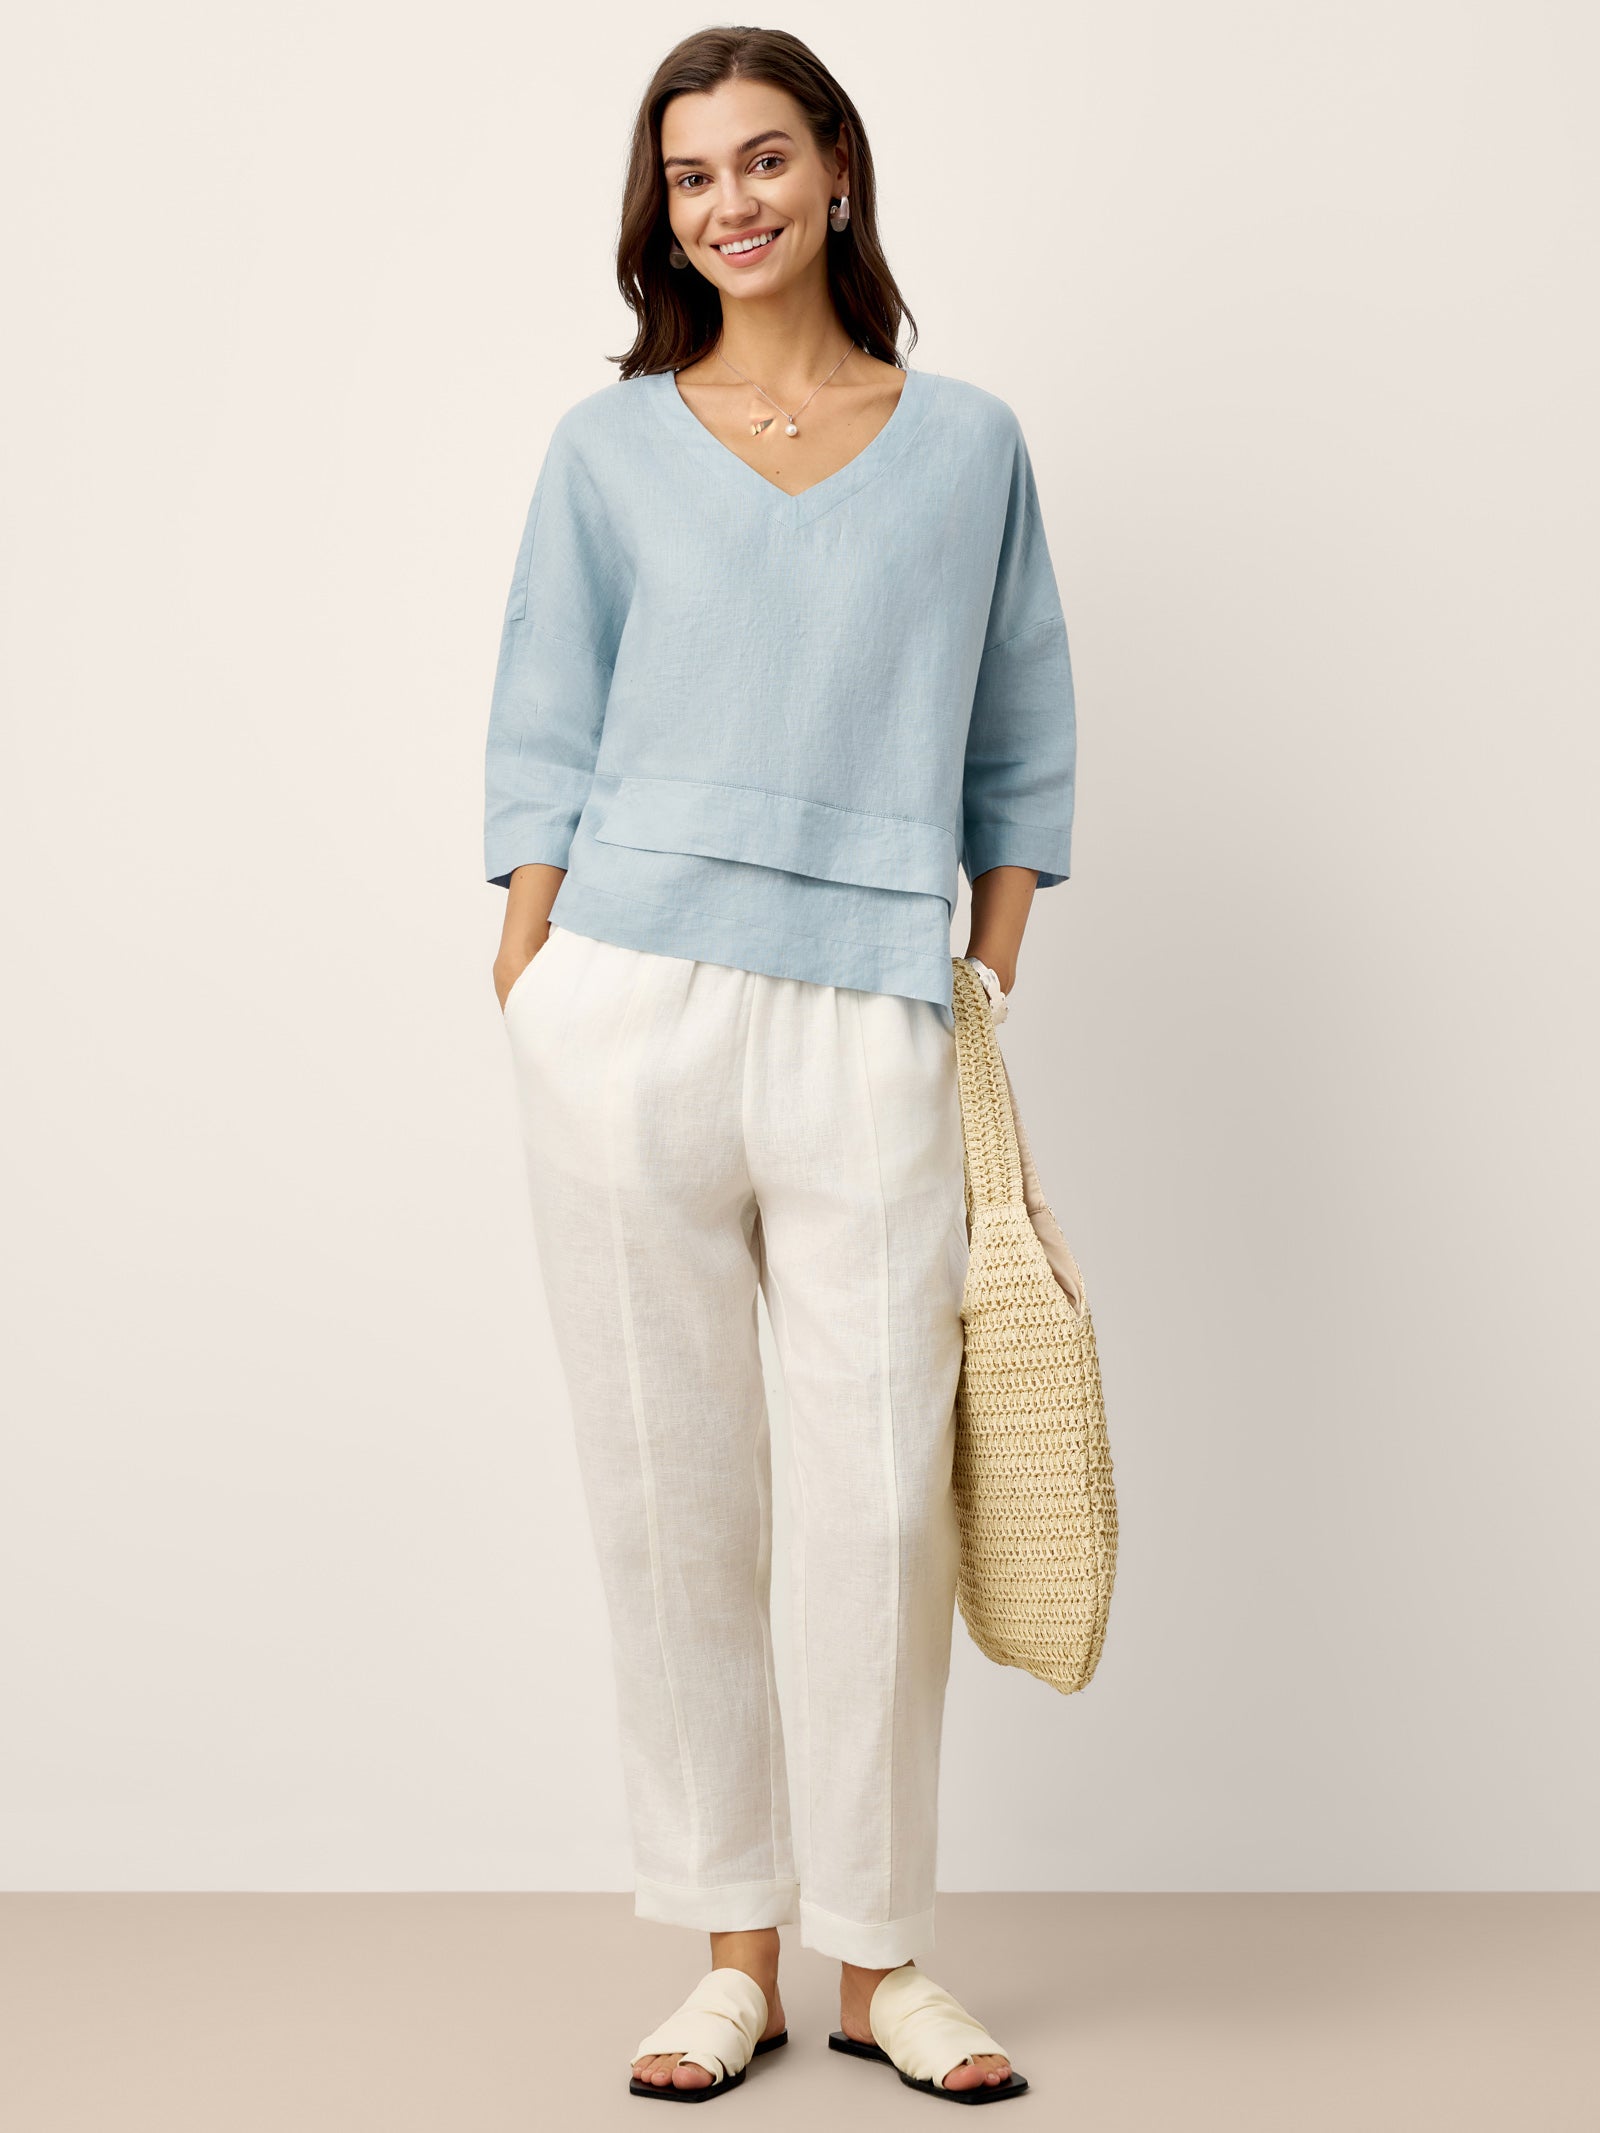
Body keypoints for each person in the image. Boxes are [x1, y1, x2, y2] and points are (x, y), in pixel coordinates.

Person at [484, 25, 1074, 2107]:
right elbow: (544, 711)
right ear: (660, 216)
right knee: (672, 1493)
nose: (725, 201)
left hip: (867, 1013)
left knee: (876, 1503)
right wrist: (530, 964)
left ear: (835, 169)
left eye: (759, 158)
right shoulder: (607, 448)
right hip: (627, 1001)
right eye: (687, 175)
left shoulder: (968, 442)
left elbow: (1021, 727)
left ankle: (879, 1953)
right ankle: (729, 1948)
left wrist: (981, 969)